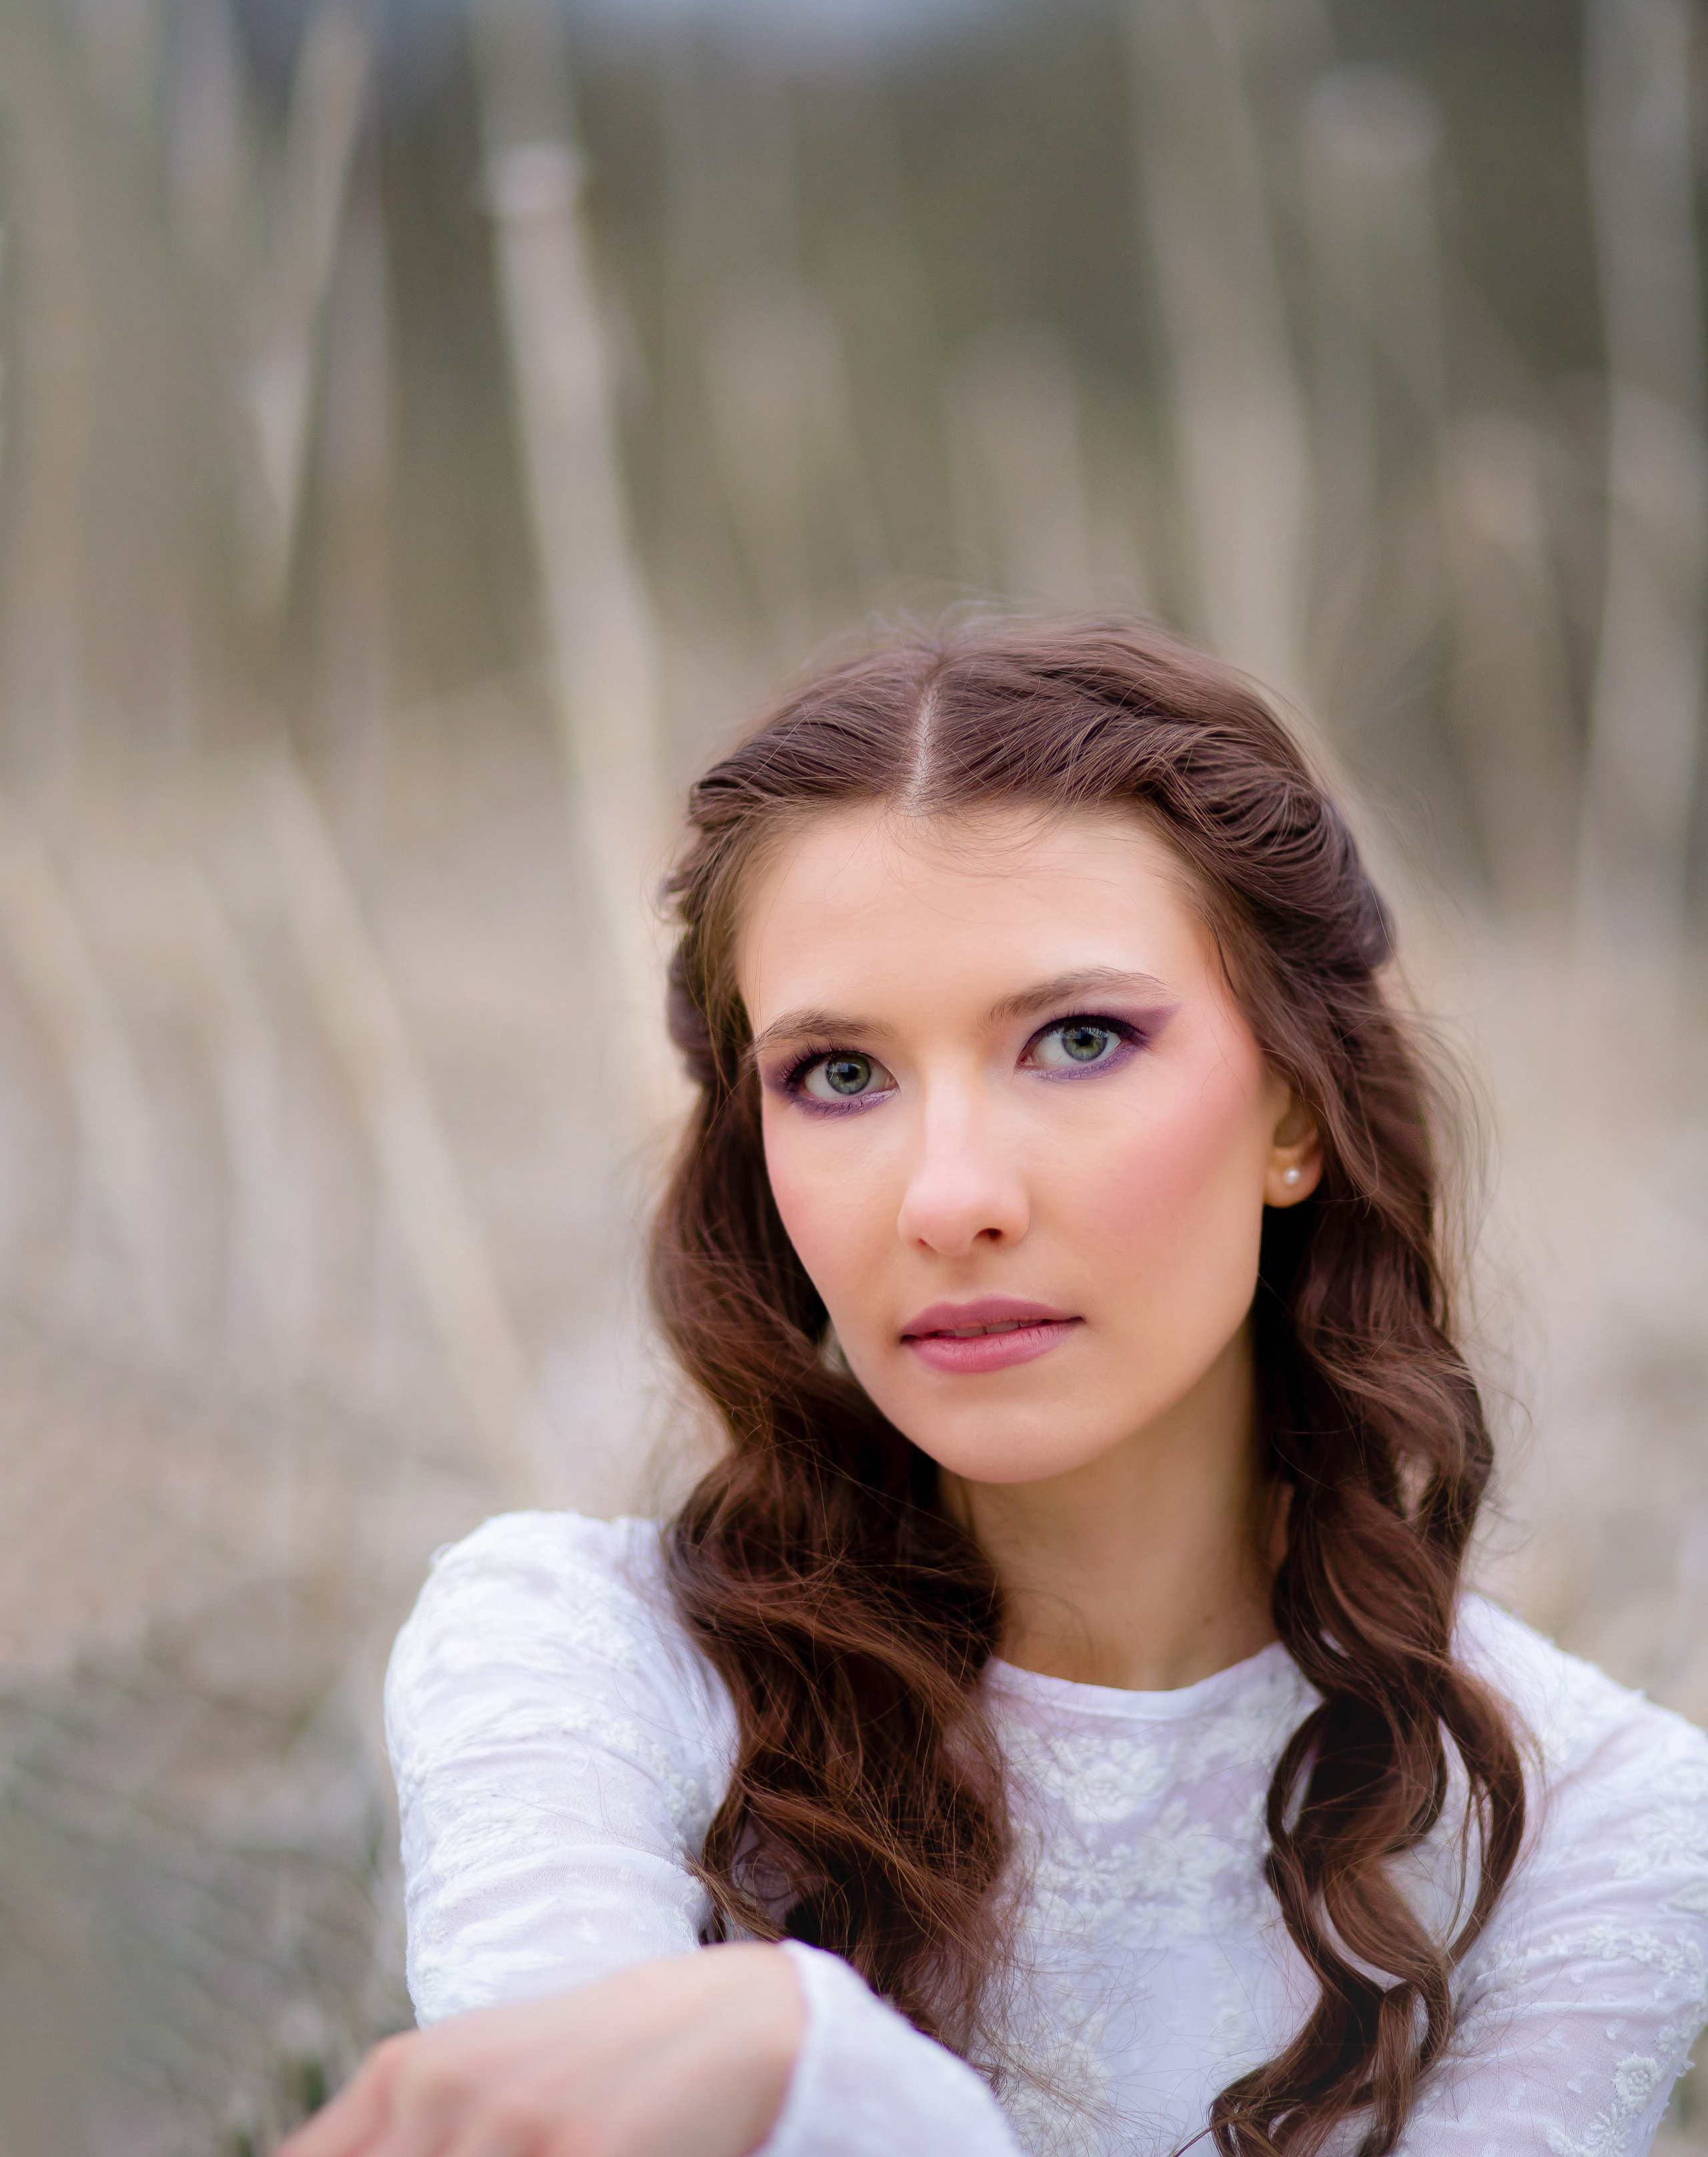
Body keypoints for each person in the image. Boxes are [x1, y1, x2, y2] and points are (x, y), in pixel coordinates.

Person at [286, 623, 1708, 2157]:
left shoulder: (1584, 1819)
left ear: (1293, 1109)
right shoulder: (583, 1662)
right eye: (838, 1075)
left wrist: (810, 2068)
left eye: (1075, 1040)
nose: (946, 1199)